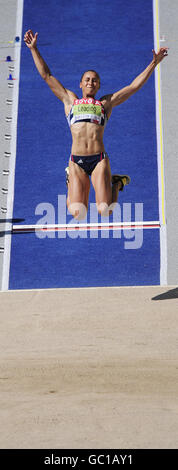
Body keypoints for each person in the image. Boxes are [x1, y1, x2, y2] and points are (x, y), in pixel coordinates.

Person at [24, 30, 168, 220]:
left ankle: (116, 183)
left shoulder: (105, 104)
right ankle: (70, 179)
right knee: (78, 213)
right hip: (76, 161)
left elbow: (133, 87)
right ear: (81, 85)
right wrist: (34, 49)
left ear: (99, 86)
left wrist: (153, 63)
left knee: (105, 211)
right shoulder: (70, 101)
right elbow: (47, 76)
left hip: (98, 159)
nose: (91, 82)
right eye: (87, 80)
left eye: (94, 80)